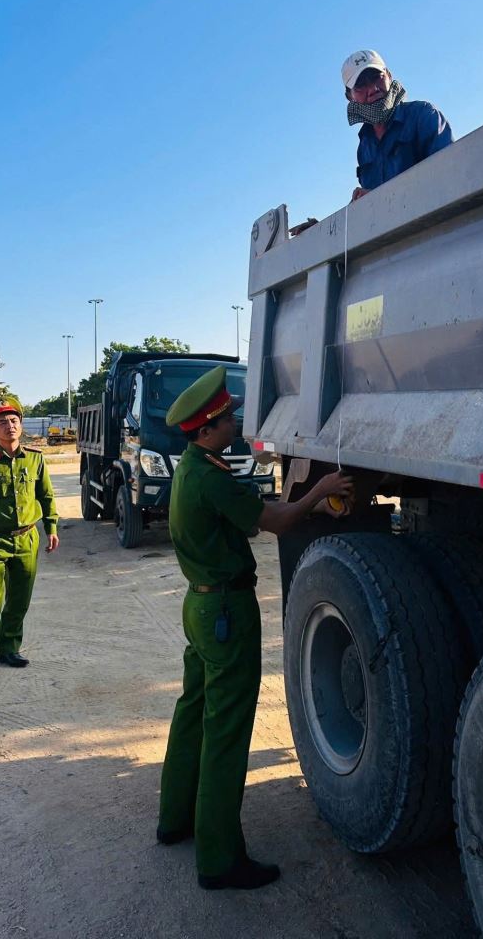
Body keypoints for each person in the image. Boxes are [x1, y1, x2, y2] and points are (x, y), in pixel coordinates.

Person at [157, 365, 352, 890]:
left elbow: (263, 509)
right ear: (204, 429)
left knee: (194, 710)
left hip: (200, 607)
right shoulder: (212, 478)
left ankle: (174, 821)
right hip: (225, 613)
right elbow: (275, 521)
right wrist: (322, 491)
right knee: (226, 731)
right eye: (225, 418)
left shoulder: (192, 469)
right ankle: (219, 860)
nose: (234, 422)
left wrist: (310, 506)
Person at [0, 396, 59, 685]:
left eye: (14, 420)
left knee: (19, 599)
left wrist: (51, 528)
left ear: (21, 425)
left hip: (27, 539)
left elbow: (47, 496)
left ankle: (8, 649)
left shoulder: (36, 459)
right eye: (2, 422)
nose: (9, 425)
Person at [342, 48, 453, 201]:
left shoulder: (423, 115)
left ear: (388, 75)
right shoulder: (364, 145)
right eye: (361, 86)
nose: (373, 89)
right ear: (350, 96)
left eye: (377, 77)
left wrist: (380, 198)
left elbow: (450, 172)